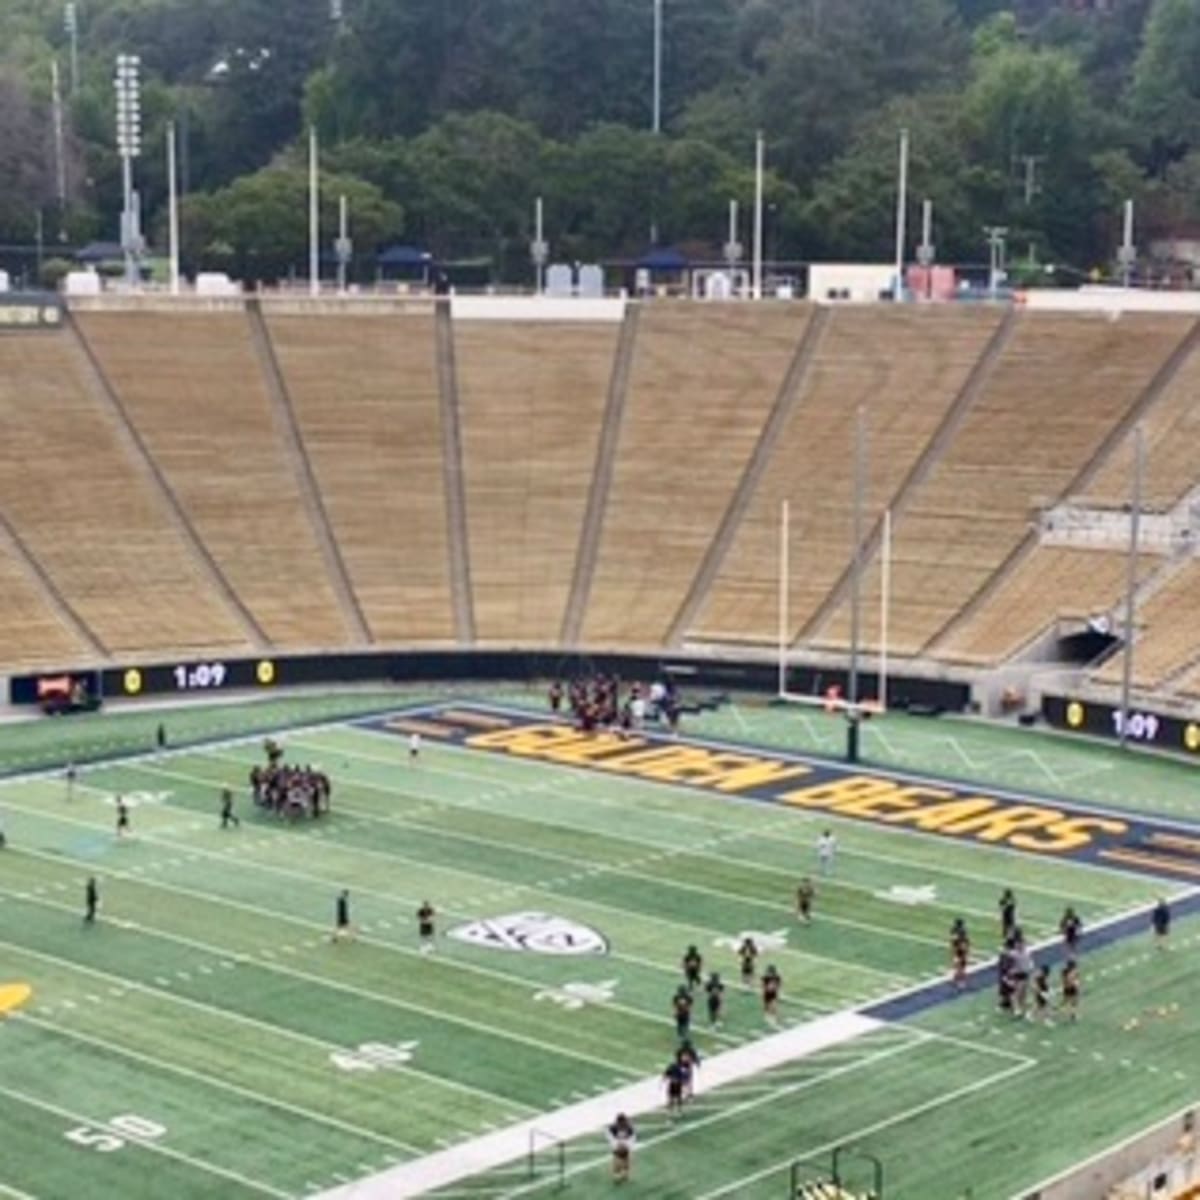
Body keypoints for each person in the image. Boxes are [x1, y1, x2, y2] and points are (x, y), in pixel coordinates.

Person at [607, 1113, 636, 1183]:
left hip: (626, 1144)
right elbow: (610, 1138)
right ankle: (616, 1175)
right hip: (617, 1145)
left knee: (627, 1160)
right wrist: (617, 1145)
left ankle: (625, 1174)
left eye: (624, 1122)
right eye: (621, 1123)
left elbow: (632, 1138)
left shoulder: (629, 1128)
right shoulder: (612, 1128)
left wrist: (627, 1146)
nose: (623, 1124)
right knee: (617, 1160)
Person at [950, 918, 970, 992]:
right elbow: (964, 942)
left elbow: (953, 941)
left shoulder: (954, 930)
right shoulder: (962, 932)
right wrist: (966, 950)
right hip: (960, 950)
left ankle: (956, 979)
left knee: (958, 966)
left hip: (957, 950)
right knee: (962, 967)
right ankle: (961, 982)